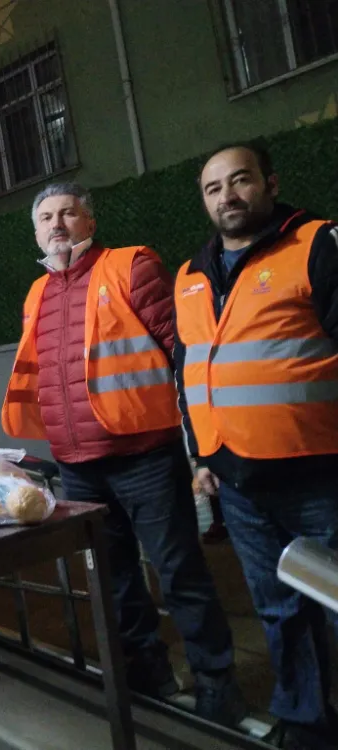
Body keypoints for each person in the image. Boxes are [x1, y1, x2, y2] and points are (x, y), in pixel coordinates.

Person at [1, 182, 244, 727]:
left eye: (68, 213)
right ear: (36, 233)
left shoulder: (130, 265)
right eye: (46, 217)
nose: (56, 224)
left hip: (145, 456)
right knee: (114, 578)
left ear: (89, 223)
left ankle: (217, 683)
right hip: (76, 465)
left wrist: (200, 442)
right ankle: (147, 669)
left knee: (178, 570)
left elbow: (181, 351)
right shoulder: (37, 292)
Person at [175, 143, 338, 749]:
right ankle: (306, 723)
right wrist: (201, 454)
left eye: (240, 180)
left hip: (318, 474)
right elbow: (189, 371)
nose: (228, 196)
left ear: (270, 183)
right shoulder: (191, 275)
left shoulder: (317, 245)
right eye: (213, 188)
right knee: (278, 608)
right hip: (239, 482)